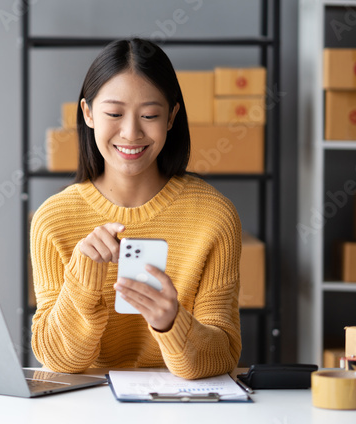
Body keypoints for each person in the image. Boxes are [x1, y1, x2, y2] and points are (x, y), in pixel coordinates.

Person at [30, 38, 242, 379]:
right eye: (114, 114)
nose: (131, 133)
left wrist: (172, 323)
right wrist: (84, 280)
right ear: (87, 113)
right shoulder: (53, 219)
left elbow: (222, 357)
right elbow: (59, 362)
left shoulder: (214, 216)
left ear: (171, 116)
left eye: (150, 115)